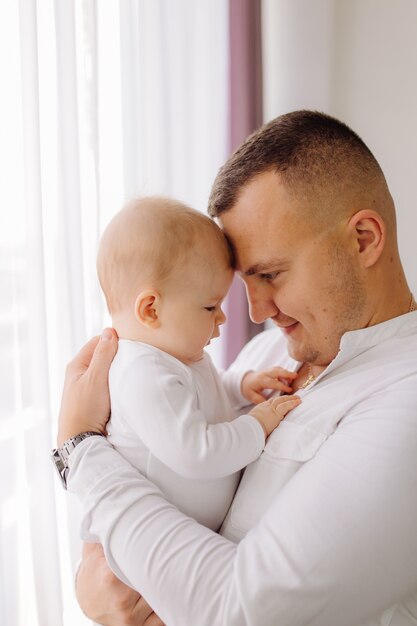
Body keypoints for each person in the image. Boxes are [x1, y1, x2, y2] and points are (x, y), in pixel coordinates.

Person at [57, 110, 417, 626]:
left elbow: (241, 612)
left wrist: (79, 450)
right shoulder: (268, 355)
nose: (255, 313)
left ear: (363, 238)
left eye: (270, 274)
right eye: (242, 284)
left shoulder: (406, 400)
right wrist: (91, 584)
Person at [92, 196, 300, 533]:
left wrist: (240, 385)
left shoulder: (173, 360)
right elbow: (196, 452)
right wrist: (258, 425)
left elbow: (202, 400)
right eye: (209, 307)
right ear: (150, 310)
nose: (223, 318)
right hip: (156, 547)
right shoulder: (142, 375)